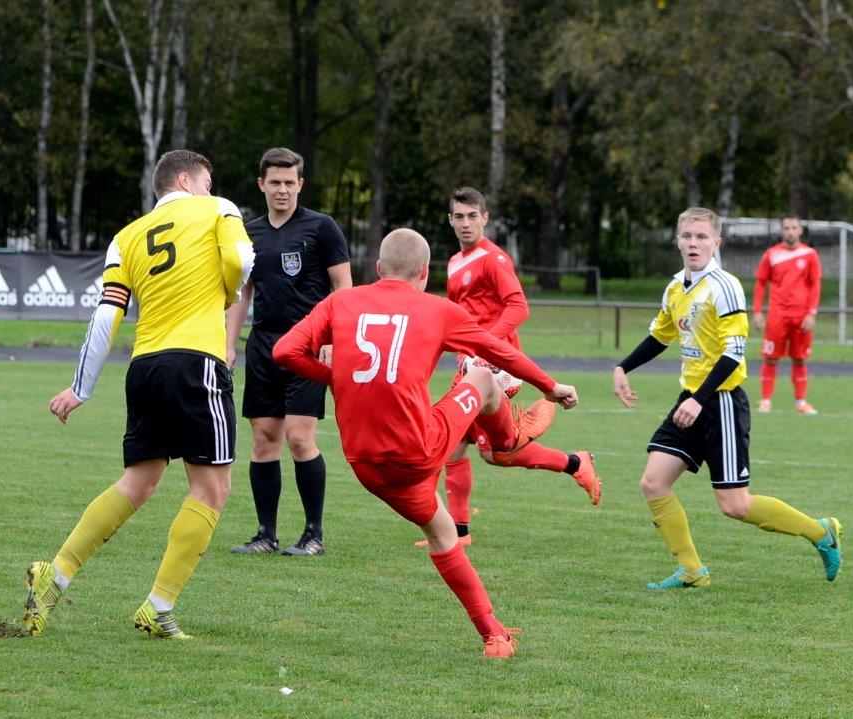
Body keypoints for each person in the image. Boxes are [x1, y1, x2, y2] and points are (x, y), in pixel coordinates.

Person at [272, 228, 580, 657]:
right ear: (424, 272)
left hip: (365, 464)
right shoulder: (437, 309)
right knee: (482, 376)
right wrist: (551, 387)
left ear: (378, 268)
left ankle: (494, 635)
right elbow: (498, 351)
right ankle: (509, 438)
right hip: (418, 449)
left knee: (442, 532)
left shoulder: (340, 302)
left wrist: (338, 379)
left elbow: (285, 351)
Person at [22, 150, 255, 639]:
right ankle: (158, 606)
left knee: (138, 482)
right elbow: (240, 259)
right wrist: (230, 293)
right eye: (207, 182)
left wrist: (81, 387)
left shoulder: (125, 237)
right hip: (196, 363)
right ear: (186, 179)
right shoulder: (219, 209)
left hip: (144, 367)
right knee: (212, 489)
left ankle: (55, 575)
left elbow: (107, 314)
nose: (210, 190)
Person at [611, 207, 842, 590]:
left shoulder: (725, 285)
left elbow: (734, 352)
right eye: (687, 236)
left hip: (720, 401)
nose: (693, 243)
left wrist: (699, 398)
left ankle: (821, 532)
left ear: (716, 242)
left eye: (702, 237)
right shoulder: (675, 287)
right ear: (677, 241)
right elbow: (660, 336)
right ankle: (691, 569)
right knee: (653, 483)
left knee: (735, 505)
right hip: (691, 399)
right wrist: (623, 367)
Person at [416, 187, 599, 548]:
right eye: (459, 216)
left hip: (496, 368)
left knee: (489, 451)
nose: (466, 223)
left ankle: (573, 462)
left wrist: (486, 345)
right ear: (450, 220)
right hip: (470, 366)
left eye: (473, 216)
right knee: (461, 447)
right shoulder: (454, 261)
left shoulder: (493, 259)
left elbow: (518, 307)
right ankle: (460, 532)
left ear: (485, 218)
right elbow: (457, 316)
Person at [226, 148, 351, 557]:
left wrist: (332, 339)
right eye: (275, 182)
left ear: (301, 184)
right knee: (264, 439)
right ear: (262, 184)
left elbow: (343, 290)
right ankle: (266, 534)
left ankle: (314, 534)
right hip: (263, 347)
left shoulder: (322, 227)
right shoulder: (249, 234)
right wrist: (228, 346)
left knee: (299, 437)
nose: (282, 189)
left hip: (308, 346)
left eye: (289, 182)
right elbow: (242, 294)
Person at [752, 214, 822, 414]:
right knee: (770, 357)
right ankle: (765, 401)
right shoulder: (771, 254)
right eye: (787, 228)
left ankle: (801, 402)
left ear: (800, 230)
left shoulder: (810, 254)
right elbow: (760, 283)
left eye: (794, 227)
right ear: (782, 231)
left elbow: (815, 285)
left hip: (801, 316)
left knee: (799, 359)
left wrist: (811, 313)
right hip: (777, 314)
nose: (790, 231)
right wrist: (757, 311)